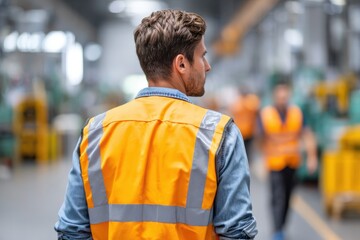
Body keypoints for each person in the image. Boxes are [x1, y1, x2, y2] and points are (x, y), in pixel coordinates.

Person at [55, 10, 257, 240]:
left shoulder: (95, 132)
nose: (207, 66)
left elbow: (72, 230)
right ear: (181, 64)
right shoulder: (219, 134)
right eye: (202, 56)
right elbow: (237, 233)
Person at [257, 80, 317, 240]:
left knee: (289, 196)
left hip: (292, 162)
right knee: (278, 196)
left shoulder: (296, 113)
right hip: (275, 163)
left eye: (285, 97)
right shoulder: (266, 114)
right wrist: (262, 161)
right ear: (275, 98)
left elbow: (307, 134)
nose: (283, 100)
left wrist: (312, 157)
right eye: (280, 97)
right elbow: (261, 139)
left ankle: (281, 225)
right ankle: (277, 230)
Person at [229, 88, 260, 162]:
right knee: (245, 151)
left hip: (247, 131)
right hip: (243, 131)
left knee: (247, 151)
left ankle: (246, 163)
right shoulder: (244, 102)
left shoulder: (243, 102)